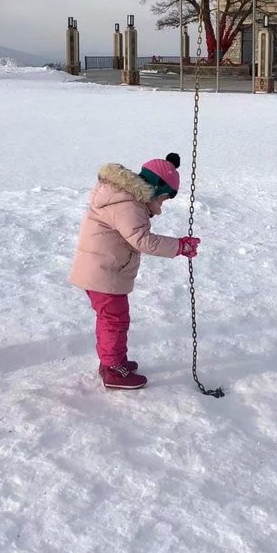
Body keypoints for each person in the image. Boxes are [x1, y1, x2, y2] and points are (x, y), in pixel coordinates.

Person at [68, 153, 201, 390]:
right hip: (103, 273)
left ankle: (113, 361)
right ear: (152, 191)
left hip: (102, 269)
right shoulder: (128, 206)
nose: (160, 208)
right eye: (161, 200)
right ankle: (112, 369)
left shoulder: (124, 199)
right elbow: (142, 240)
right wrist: (180, 246)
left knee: (113, 319)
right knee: (114, 320)